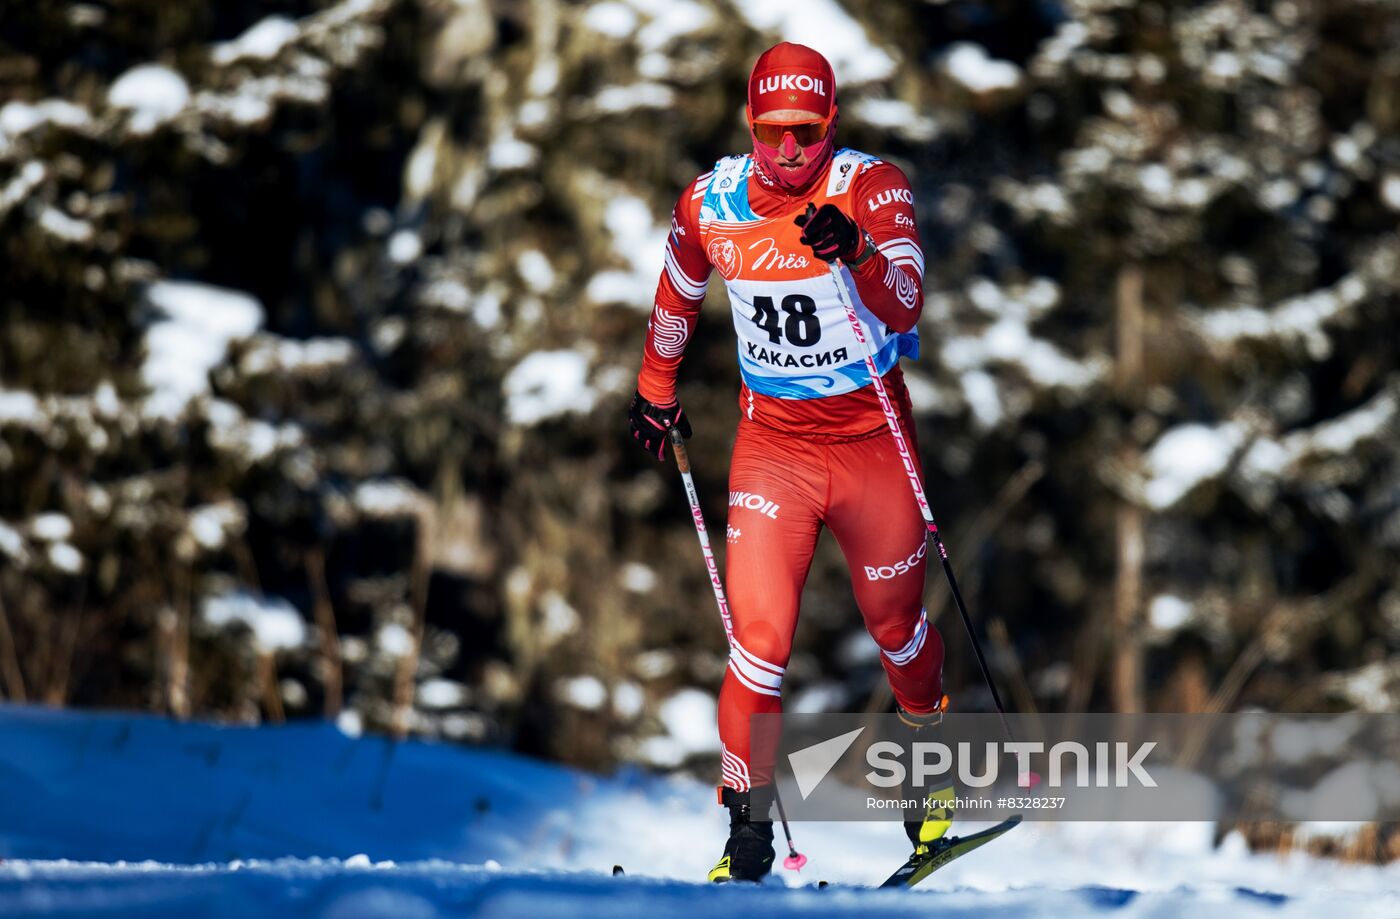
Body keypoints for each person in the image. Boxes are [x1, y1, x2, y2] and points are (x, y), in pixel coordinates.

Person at [627, 42, 949, 883]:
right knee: (757, 644)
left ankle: (932, 768)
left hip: (872, 441)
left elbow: (908, 298)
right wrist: (655, 387)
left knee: (898, 629)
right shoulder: (713, 201)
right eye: (774, 133)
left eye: (807, 132)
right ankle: (746, 834)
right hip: (775, 450)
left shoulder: (871, 188)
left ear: (831, 124)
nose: (791, 152)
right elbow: (678, 282)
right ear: (752, 125)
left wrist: (857, 252)